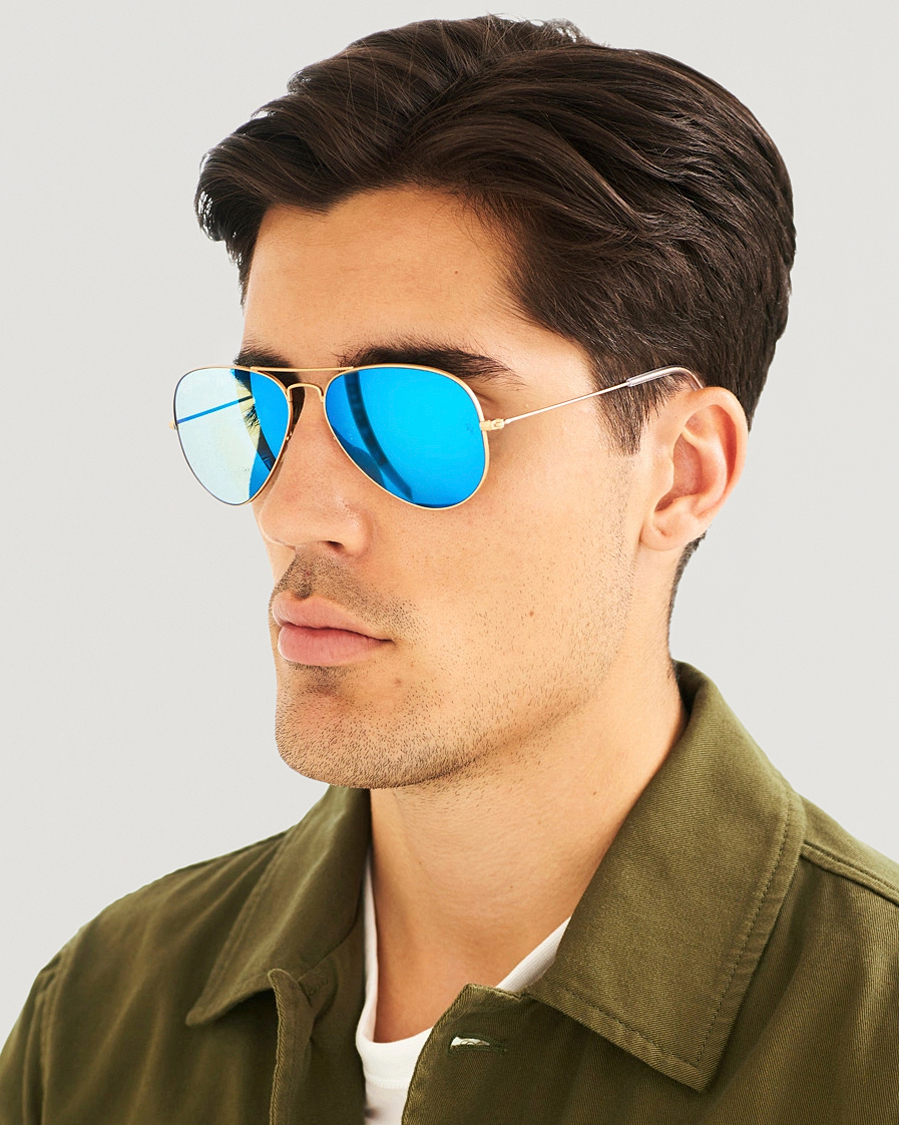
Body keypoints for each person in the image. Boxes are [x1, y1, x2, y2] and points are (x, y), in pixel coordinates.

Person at [2, 14, 897, 1124]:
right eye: (266, 408)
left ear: (680, 473)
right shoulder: (103, 1015)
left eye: (414, 418)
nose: (293, 507)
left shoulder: (867, 1047)